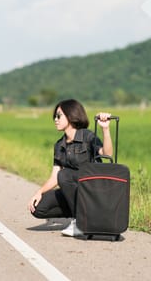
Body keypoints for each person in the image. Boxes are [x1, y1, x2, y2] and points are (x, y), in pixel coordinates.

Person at [27, 99, 113, 237]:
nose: (55, 119)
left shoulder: (87, 136)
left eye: (59, 115)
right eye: (54, 116)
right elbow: (55, 176)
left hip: (92, 189)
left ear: (71, 115)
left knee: (65, 174)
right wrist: (39, 192)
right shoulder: (59, 145)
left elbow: (107, 154)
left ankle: (80, 222)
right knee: (38, 208)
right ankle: (81, 214)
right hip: (75, 191)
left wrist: (105, 129)